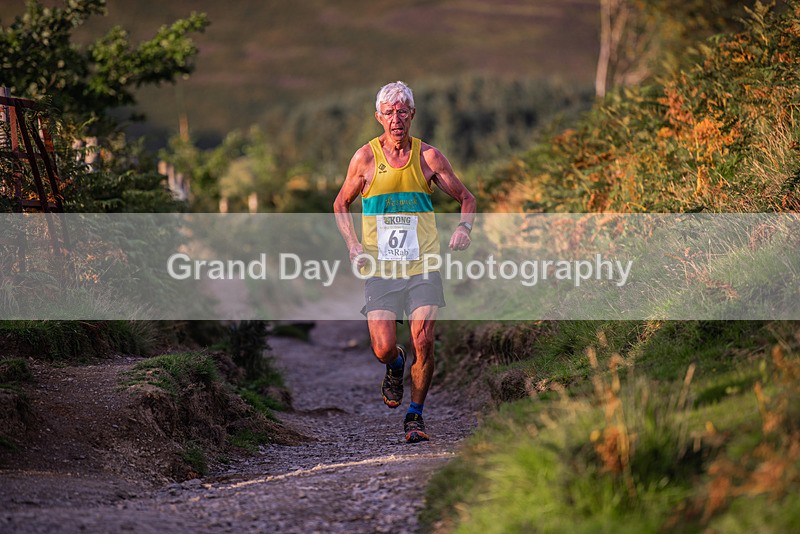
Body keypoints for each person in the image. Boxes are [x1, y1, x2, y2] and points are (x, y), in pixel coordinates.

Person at [333, 81, 476, 443]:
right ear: (378, 117)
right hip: (381, 268)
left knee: (423, 340)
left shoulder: (429, 158)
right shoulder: (365, 159)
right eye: (389, 113)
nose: (396, 119)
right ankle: (396, 365)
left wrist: (464, 227)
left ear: (412, 114)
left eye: (402, 111)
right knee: (382, 348)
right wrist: (353, 245)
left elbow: (467, 198)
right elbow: (340, 203)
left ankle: (415, 415)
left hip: (422, 265)